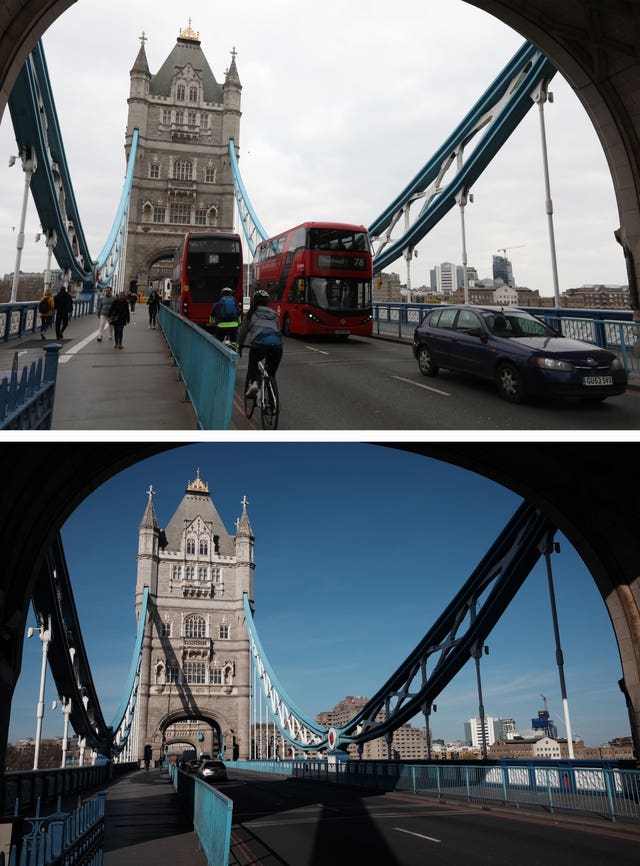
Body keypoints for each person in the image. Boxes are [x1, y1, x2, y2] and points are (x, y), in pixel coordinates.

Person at [237, 290, 283, 397]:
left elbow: (242, 333)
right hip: (277, 346)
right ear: (267, 302)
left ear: (254, 301)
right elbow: (278, 331)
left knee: (253, 362)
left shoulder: (250, 314)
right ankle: (271, 404)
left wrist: (240, 345)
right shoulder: (274, 314)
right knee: (271, 374)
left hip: (259, 345)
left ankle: (255, 383)